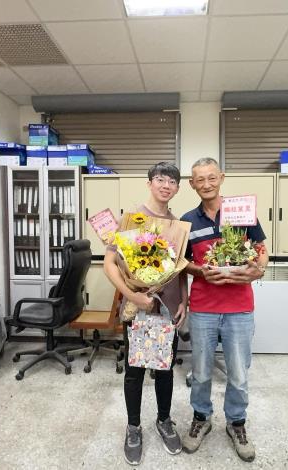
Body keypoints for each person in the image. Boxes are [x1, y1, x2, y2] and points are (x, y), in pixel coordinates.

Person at [179, 157, 268, 462]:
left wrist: (257, 271)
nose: (206, 184)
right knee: (201, 372)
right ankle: (201, 418)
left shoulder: (241, 212)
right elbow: (181, 262)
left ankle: (236, 423)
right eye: (200, 179)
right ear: (192, 184)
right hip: (203, 307)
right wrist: (200, 271)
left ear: (222, 178)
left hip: (239, 307)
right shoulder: (187, 221)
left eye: (211, 177)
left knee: (239, 373)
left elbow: (261, 251)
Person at [103, 162, 188, 466]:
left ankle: (164, 420)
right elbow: (109, 264)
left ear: (177, 188)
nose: (166, 185)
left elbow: (180, 269)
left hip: (167, 307)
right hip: (138, 307)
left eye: (172, 181)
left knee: (165, 368)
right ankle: (133, 427)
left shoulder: (178, 226)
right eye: (160, 179)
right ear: (149, 183)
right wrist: (133, 296)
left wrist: (184, 301)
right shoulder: (132, 219)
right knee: (135, 369)